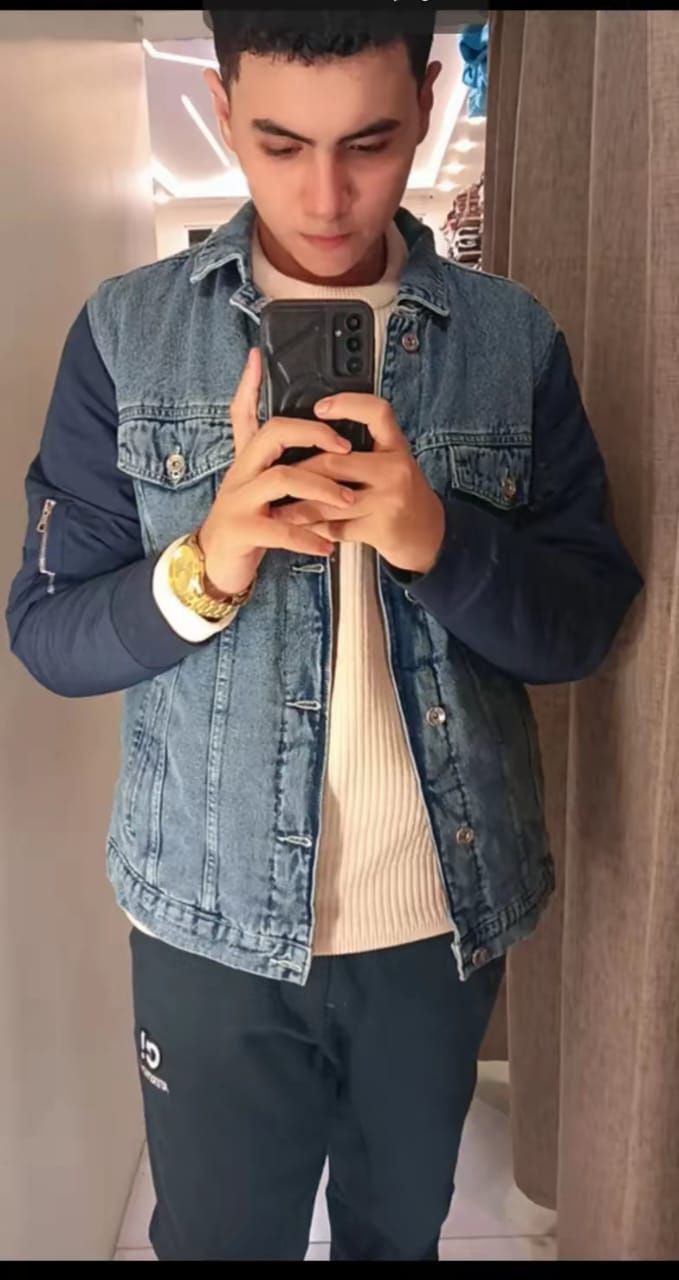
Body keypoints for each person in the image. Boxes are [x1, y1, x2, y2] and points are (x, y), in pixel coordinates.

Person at [5, 8, 643, 1262]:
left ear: (426, 101)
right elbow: (48, 631)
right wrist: (208, 563)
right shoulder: (127, 333)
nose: (326, 196)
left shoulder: (511, 340)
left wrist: (436, 539)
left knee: (396, 1235)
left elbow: (581, 624)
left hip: (436, 920)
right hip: (205, 924)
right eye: (280, 143)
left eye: (370, 142)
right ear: (220, 109)